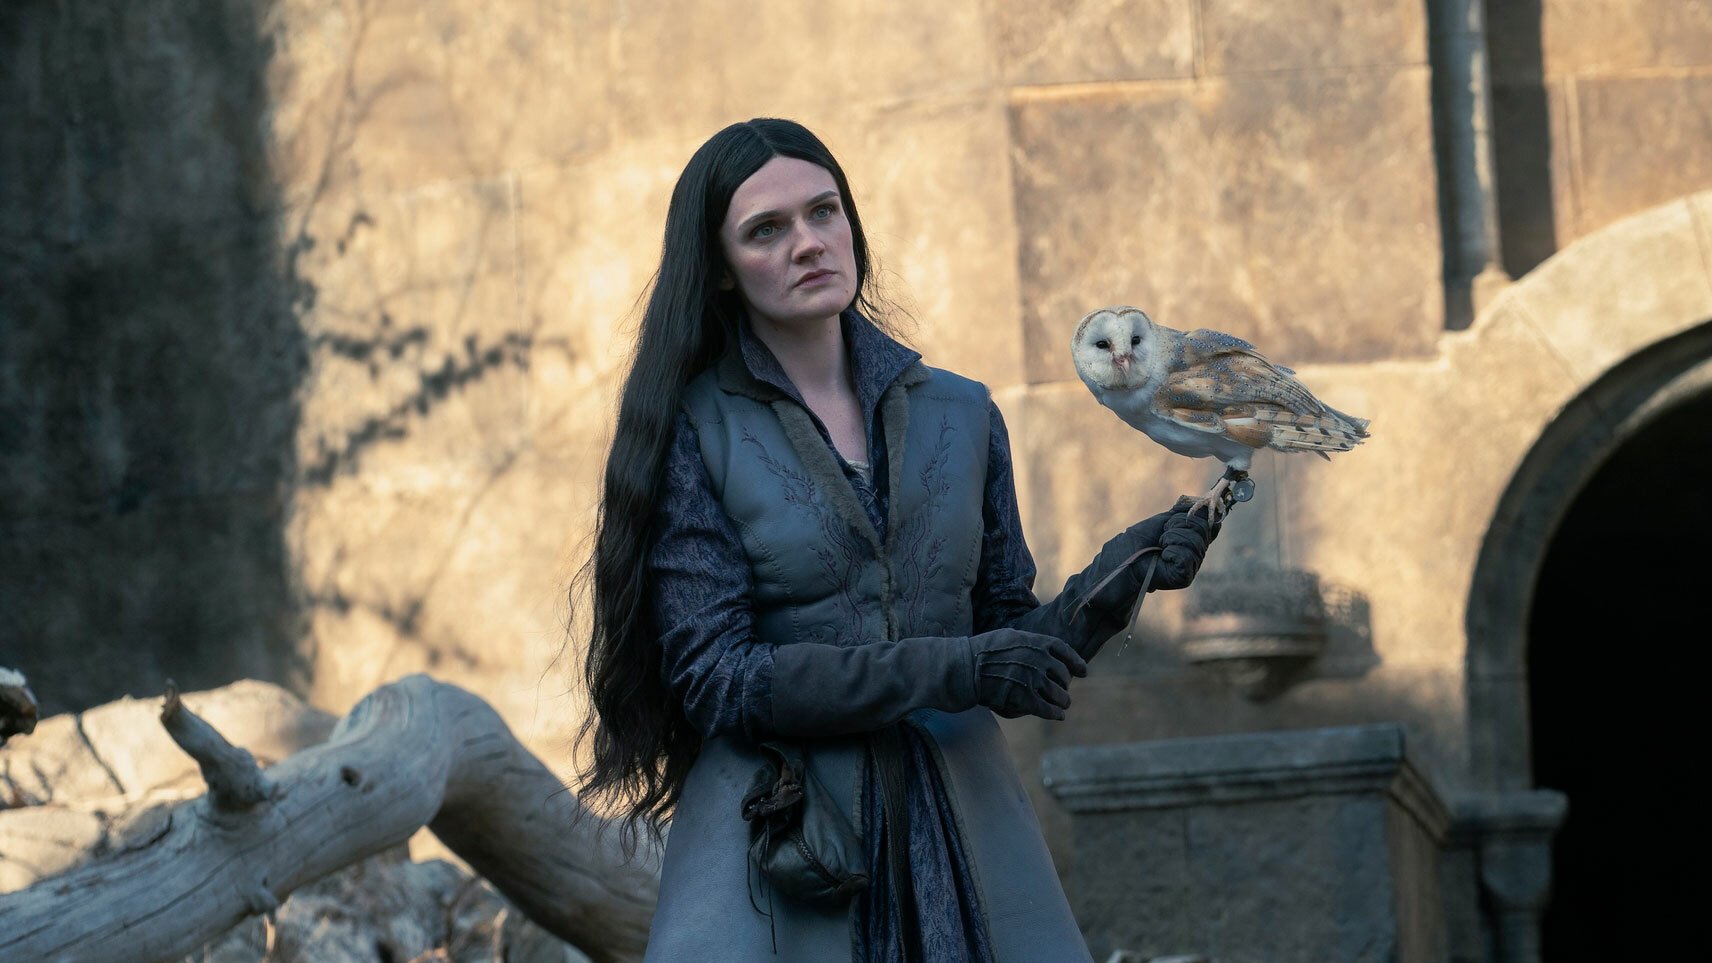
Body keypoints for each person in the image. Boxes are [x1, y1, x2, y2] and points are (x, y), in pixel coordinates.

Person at [576, 118, 1219, 963]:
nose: (807, 242)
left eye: (823, 212)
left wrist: (1113, 583)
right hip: (784, 837)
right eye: (766, 230)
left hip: (963, 825)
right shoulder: (694, 430)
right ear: (723, 271)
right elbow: (718, 678)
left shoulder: (963, 411)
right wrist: (957, 666)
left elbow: (1001, 637)